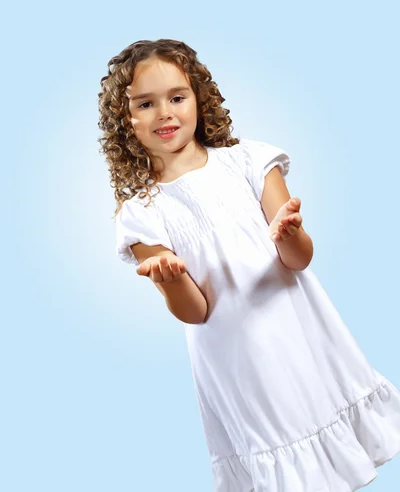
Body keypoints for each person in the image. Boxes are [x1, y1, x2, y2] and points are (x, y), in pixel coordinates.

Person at [98, 38, 400, 492]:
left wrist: (291, 234)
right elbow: (196, 313)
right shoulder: (141, 213)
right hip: (237, 358)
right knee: (278, 444)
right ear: (126, 120)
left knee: (319, 406)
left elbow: (298, 260)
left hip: (297, 327)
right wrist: (171, 279)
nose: (165, 112)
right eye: (146, 103)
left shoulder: (249, 161)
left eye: (177, 98)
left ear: (199, 98)